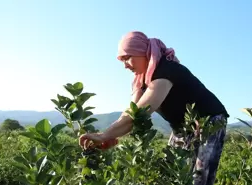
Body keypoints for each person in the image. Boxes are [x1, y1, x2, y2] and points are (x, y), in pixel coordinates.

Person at [79, 31, 229, 185]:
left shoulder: (165, 70)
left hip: (209, 121)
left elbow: (139, 114)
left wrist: (105, 135)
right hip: (182, 127)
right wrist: (109, 135)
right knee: (170, 175)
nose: (125, 65)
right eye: (122, 60)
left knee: (199, 178)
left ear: (143, 52)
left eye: (127, 57)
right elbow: (130, 113)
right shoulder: (141, 80)